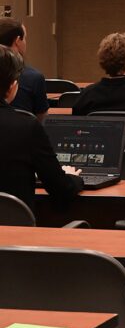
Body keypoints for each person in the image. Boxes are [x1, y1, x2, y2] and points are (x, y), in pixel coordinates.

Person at [0, 45, 83, 210]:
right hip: (15, 232)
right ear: (11, 87)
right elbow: (61, 191)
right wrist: (73, 178)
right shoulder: (26, 127)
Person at [0, 18, 48, 119]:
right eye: (25, 38)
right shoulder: (34, 78)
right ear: (17, 41)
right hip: (23, 132)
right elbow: (41, 120)